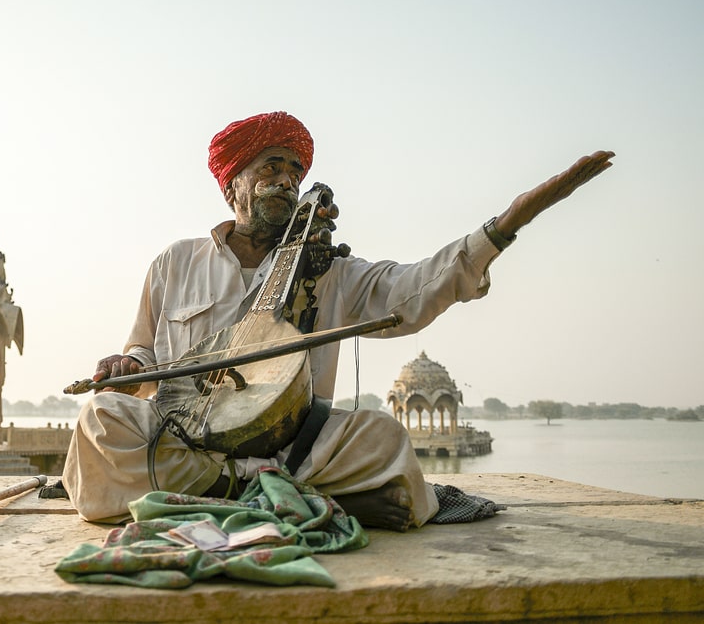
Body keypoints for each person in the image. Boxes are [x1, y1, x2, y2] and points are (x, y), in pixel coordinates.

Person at [62, 111, 613, 530]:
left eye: (295, 170)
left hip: (290, 448)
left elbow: (413, 289)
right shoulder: (174, 263)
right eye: (270, 167)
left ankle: (234, 491)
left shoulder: (330, 270)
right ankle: (269, 493)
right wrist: (127, 364)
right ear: (232, 185)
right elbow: (144, 358)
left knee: (387, 441)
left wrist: (509, 222)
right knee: (99, 422)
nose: (286, 179)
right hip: (187, 436)